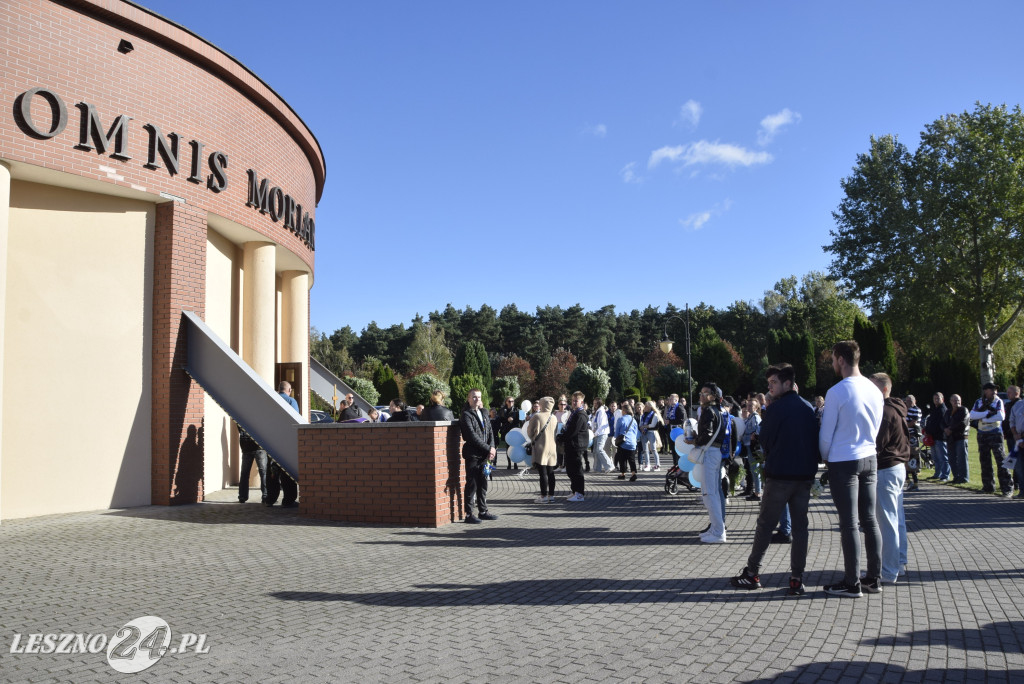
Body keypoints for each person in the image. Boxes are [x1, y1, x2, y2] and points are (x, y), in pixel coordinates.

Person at [730, 364, 819, 595]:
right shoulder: (808, 408)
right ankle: (797, 578)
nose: (769, 387)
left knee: (765, 525)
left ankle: (752, 573)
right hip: (804, 476)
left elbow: (765, 441)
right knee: (800, 529)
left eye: (774, 383)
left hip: (780, 476)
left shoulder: (777, 409)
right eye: (769, 383)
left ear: (787, 384)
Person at [818, 340, 883, 597]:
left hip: (844, 459)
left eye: (833, 359)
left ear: (841, 360)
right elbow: (876, 426)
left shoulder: (837, 391)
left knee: (849, 523)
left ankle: (852, 582)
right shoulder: (874, 389)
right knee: (869, 519)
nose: (833, 363)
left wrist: (825, 459)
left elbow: (826, 434)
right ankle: (874, 578)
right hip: (870, 456)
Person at [869, 372, 910, 585]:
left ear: (884, 389)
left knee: (887, 522)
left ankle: (889, 570)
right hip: (896, 467)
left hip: (886, 468)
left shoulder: (885, 411)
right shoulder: (896, 407)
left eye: (873, 387)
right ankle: (899, 562)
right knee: (896, 519)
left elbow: (877, 444)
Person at [694, 382, 729, 543]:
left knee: (710, 493)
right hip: (715, 452)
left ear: (713, 396)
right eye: (701, 393)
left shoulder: (709, 410)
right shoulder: (718, 411)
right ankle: (716, 529)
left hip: (710, 452)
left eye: (705, 393)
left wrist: (694, 440)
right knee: (711, 492)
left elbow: (706, 434)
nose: (701, 396)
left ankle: (718, 532)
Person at [459, 388, 498, 524]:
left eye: (479, 397)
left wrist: (492, 448)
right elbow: (471, 436)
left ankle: (483, 511)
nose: (477, 399)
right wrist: (488, 448)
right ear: (469, 399)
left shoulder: (483, 413)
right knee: (472, 484)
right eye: (474, 397)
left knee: (483, 483)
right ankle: (469, 514)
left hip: (484, 455)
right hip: (473, 455)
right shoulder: (466, 415)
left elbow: (490, 432)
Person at [969, 382, 1010, 495]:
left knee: (1001, 460)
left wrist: (985, 419)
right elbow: (972, 415)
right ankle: (988, 486)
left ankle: (1006, 487)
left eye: (995, 390)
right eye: (991, 390)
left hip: (995, 433)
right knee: (984, 461)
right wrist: (987, 413)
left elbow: (1001, 416)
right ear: (985, 391)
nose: (994, 392)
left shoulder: (998, 401)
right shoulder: (979, 402)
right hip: (982, 434)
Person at [267, 381, 301, 508]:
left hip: (272, 441)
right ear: (289, 390)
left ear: (278, 389)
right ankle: (288, 500)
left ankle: (270, 499)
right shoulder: (292, 401)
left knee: (272, 471)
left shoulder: (271, 399)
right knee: (288, 472)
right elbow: (295, 420)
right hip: (286, 442)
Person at [557, 391, 590, 502]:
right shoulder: (574, 412)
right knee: (571, 470)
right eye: (573, 400)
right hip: (571, 445)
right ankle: (574, 491)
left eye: (577, 401)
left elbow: (573, 431)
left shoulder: (581, 414)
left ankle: (580, 493)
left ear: (582, 402)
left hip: (577, 445)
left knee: (577, 470)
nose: (574, 402)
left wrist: (562, 437)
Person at [527, 397, 558, 502]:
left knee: (543, 473)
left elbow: (530, 431)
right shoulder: (554, 417)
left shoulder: (537, 416)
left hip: (541, 446)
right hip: (552, 447)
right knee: (551, 472)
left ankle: (543, 496)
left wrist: (533, 438)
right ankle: (552, 496)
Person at [236, 423, 267, 504]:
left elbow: (240, 430)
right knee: (263, 472)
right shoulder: (259, 416)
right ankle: (265, 496)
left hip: (246, 447)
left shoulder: (240, 416)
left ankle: (242, 496)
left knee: (245, 473)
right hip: (258, 447)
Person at [924, 393, 950, 481]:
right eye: (935, 398)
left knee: (943, 457)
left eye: (938, 398)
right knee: (935, 458)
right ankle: (937, 473)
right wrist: (927, 430)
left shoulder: (943, 410)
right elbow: (930, 421)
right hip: (933, 437)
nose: (936, 400)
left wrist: (930, 431)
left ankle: (945, 475)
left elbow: (940, 424)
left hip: (940, 437)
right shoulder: (934, 409)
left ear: (942, 399)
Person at [945, 394, 971, 484]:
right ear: (951, 401)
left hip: (961, 437)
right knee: (952, 458)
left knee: (962, 458)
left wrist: (951, 429)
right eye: (954, 400)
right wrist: (945, 429)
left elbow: (963, 423)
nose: (957, 402)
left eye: (958, 400)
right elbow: (943, 422)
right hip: (951, 438)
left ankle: (964, 478)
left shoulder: (964, 410)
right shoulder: (948, 411)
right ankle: (956, 477)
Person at [741, 399, 763, 500]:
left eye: (751, 405)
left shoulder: (755, 417)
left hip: (753, 446)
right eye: (748, 405)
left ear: (756, 407)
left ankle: (758, 492)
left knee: (755, 469)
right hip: (748, 445)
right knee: (752, 469)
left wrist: (753, 435)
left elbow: (758, 429)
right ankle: (757, 491)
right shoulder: (750, 417)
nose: (748, 407)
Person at [614, 406, 639, 481]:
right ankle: (633, 474)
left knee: (622, 459)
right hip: (632, 442)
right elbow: (636, 432)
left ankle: (623, 474)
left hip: (623, 442)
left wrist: (616, 438)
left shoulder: (621, 419)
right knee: (632, 459)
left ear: (624, 411)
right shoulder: (633, 420)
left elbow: (617, 432)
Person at [590, 399, 614, 473]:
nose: (595, 404)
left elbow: (602, 425)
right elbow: (594, 422)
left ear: (600, 403)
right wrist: (592, 428)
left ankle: (609, 465)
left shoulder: (601, 411)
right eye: (594, 403)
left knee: (599, 449)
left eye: (596, 403)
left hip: (602, 433)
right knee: (595, 451)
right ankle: (597, 468)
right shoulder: (597, 412)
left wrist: (595, 433)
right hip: (598, 433)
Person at [498, 396, 523, 470]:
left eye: (512, 401)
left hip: (514, 431)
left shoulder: (517, 410)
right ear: (506, 402)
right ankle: (509, 464)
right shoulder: (502, 410)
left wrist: (514, 420)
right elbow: (500, 420)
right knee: (507, 447)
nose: (511, 402)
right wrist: (507, 419)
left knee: (515, 447)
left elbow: (520, 421)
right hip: (506, 431)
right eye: (509, 401)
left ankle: (515, 463)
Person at [665, 394, 688, 465]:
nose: (670, 401)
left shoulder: (679, 407)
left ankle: (680, 465)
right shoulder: (670, 408)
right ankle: (675, 464)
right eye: (669, 399)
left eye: (672, 399)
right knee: (673, 449)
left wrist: (670, 421)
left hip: (678, 431)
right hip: (672, 431)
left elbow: (682, 420)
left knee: (678, 450)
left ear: (676, 400)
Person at [640, 400, 663, 471]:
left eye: (646, 406)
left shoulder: (655, 414)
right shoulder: (643, 414)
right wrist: (642, 428)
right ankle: (647, 464)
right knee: (645, 450)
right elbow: (641, 423)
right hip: (644, 433)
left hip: (651, 432)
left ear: (650, 407)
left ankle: (657, 464)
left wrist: (644, 426)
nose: (645, 407)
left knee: (653, 449)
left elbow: (652, 425)